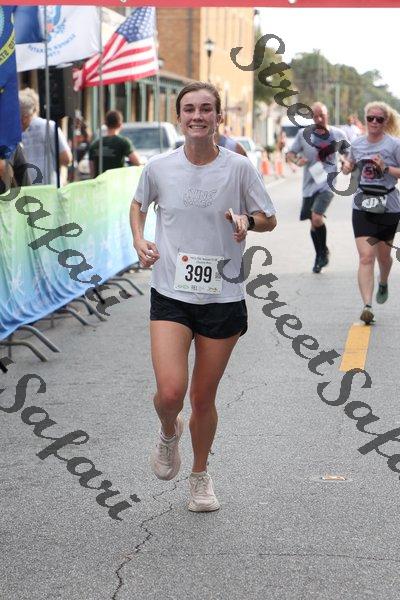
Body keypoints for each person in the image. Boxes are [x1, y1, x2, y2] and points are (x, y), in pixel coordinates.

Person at [130, 81, 276, 512]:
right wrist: (139, 239)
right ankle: (168, 431)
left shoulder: (239, 168)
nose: (198, 116)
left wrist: (248, 221)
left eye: (206, 109)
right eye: (190, 109)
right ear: (178, 116)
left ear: (218, 117)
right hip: (171, 294)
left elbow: (269, 217)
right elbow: (138, 205)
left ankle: (199, 476)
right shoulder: (159, 168)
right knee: (170, 393)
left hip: (223, 297)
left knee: (201, 398)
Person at [341, 101, 400, 324]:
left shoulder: (394, 145)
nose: (374, 122)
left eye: (379, 119)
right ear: (365, 119)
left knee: (384, 257)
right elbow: (349, 165)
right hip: (363, 204)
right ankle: (367, 305)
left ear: (386, 121)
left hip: (388, 205)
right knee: (366, 257)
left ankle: (383, 281)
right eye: (370, 118)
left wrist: (385, 168)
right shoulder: (357, 144)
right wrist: (346, 167)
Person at [287, 102, 349, 273]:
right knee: (313, 223)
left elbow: (348, 154)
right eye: (315, 116)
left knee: (316, 217)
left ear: (327, 115)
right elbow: (290, 154)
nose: (319, 119)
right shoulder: (303, 135)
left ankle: (321, 254)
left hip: (328, 184)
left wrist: (346, 163)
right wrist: (297, 160)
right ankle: (321, 254)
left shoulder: (338, 134)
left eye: (322, 115)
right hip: (309, 185)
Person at [18, 88, 72, 185]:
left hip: (26, 188)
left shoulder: (14, 132)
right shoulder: (49, 126)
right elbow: (66, 158)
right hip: (49, 186)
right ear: (36, 106)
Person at [89, 110, 141, 178]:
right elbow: (137, 162)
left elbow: (91, 171)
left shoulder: (95, 144)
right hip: (117, 181)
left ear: (106, 124)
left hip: (99, 182)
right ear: (120, 125)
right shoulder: (123, 142)